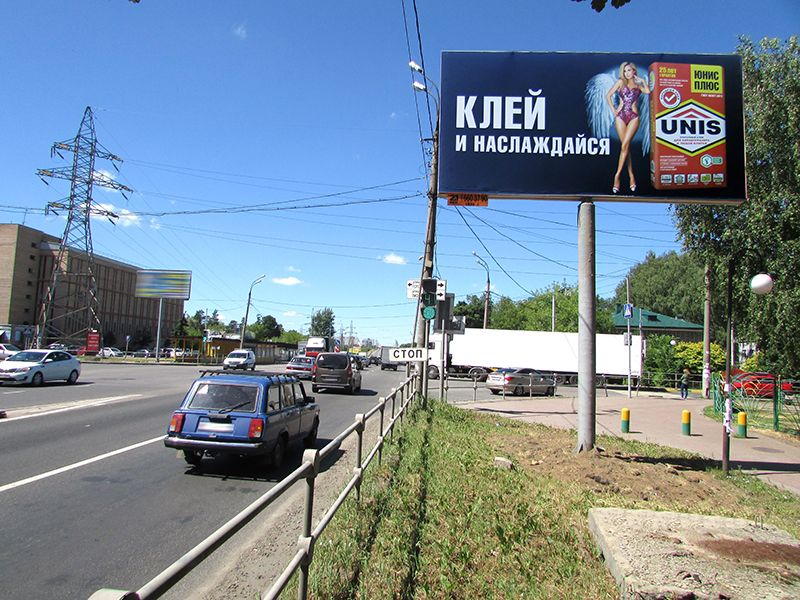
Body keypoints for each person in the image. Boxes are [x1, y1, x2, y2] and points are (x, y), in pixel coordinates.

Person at [605, 62, 650, 194]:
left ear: (634, 71)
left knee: (625, 146)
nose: (627, 73)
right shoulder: (620, 82)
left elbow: (648, 91)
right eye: (625, 71)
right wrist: (614, 110)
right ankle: (631, 176)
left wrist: (642, 81)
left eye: (629, 70)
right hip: (621, 116)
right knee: (626, 147)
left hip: (634, 116)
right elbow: (608, 95)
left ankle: (617, 175)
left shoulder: (638, 84)